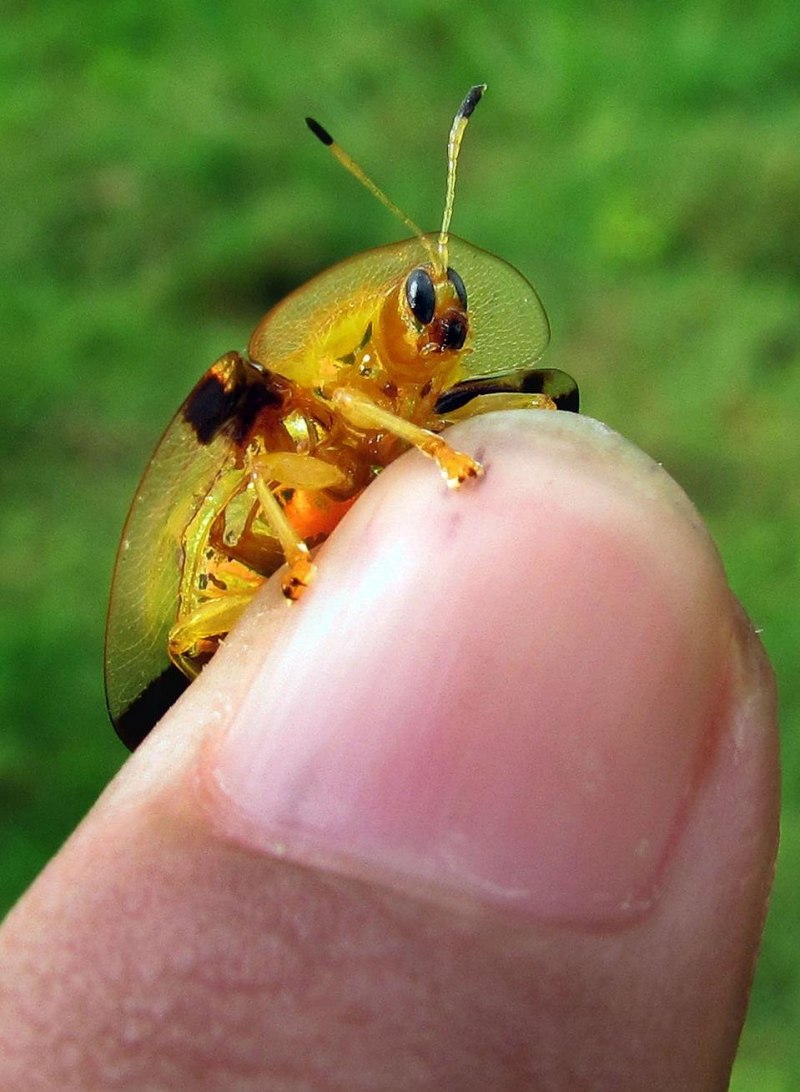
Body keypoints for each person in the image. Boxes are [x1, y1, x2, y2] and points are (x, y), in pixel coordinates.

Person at [0, 412, 778, 1089]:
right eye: (425, 309)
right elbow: (271, 468)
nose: (446, 332)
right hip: (250, 573)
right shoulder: (319, 411)